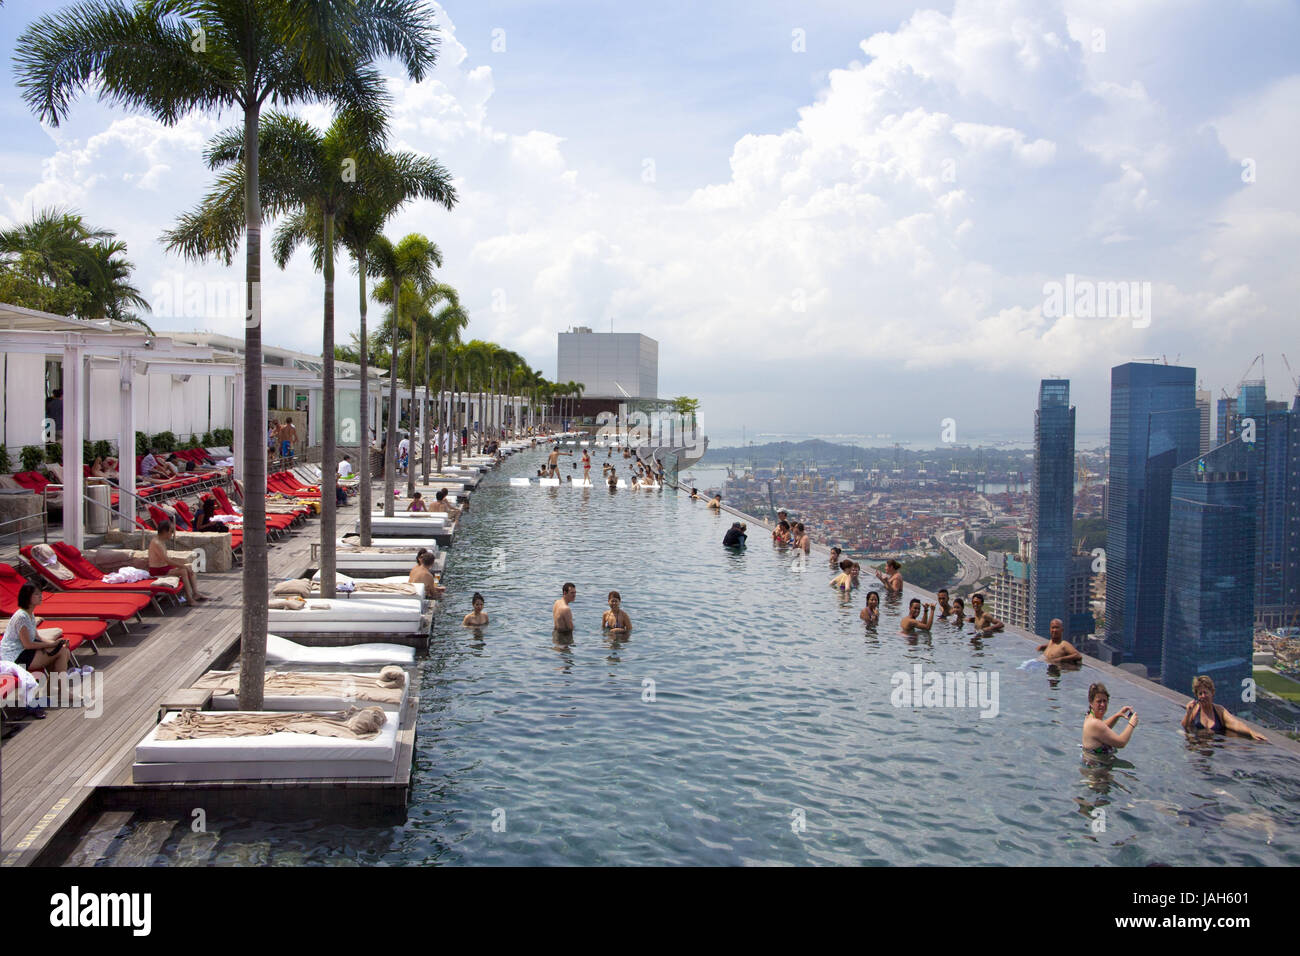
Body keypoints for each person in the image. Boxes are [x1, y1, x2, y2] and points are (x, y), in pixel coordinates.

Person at [1, 583, 71, 686]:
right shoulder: (21, 617)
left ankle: (55, 689)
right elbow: (28, 645)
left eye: (40, 593)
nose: (41, 596)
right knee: (61, 651)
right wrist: (52, 644)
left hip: (24, 651)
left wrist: (58, 643)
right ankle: (59, 689)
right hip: (15, 656)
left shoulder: (30, 614)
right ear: (28, 597)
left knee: (64, 650)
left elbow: (37, 637)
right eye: (37, 594)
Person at [1181, 675, 1267, 740]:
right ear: (1197, 696)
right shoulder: (1195, 709)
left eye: (1205, 692)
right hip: (1198, 746)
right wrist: (1188, 712)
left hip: (1214, 748)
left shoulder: (1219, 711)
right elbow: (1184, 726)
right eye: (1200, 694)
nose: (1203, 696)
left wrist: (1251, 732)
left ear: (1212, 692)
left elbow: (1235, 724)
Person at [149, 519, 205, 602]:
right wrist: (183, 566)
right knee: (183, 570)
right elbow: (167, 560)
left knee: (190, 567)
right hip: (158, 570)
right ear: (165, 531)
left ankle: (195, 593)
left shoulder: (161, 541)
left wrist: (184, 566)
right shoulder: (157, 543)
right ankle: (189, 599)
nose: (172, 534)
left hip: (164, 568)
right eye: (171, 531)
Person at [1082, 683, 1138, 755]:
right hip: (1097, 762)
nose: (1102, 704)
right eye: (1099, 701)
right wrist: (1131, 724)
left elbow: (1102, 728)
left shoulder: (1089, 717)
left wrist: (1117, 715)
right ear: (1091, 703)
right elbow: (1121, 743)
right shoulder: (1095, 723)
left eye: (1104, 701)